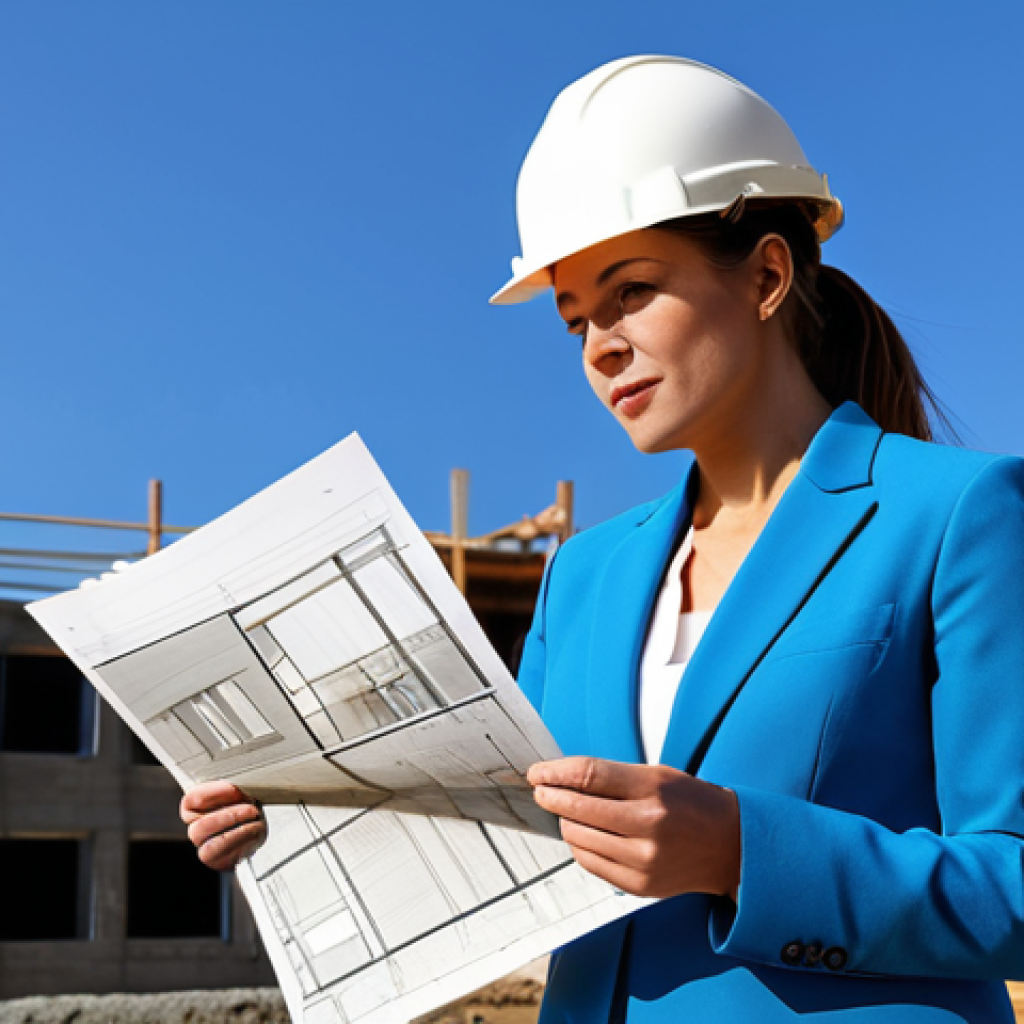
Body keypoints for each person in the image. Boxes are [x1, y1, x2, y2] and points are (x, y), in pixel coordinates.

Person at [182, 56, 1024, 1023]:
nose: (600, 345)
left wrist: (744, 852)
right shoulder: (583, 574)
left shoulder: (959, 514)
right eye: (575, 316)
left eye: (630, 292)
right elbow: (518, 864)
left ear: (766, 275)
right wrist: (297, 817)